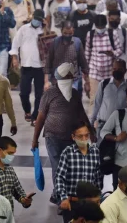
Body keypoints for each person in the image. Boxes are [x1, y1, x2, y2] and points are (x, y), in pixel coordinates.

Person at [33, 62, 92, 198]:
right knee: (58, 167)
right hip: (52, 137)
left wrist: (90, 131)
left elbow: (81, 113)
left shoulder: (75, 94)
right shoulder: (49, 94)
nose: (72, 78)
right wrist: (34, 140)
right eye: (69, 75)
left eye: (72, 75)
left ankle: (58, 193)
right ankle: (61, 198)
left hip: (71, 137)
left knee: (69, 167)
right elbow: (40, 118)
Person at [55, 122, 103, 223]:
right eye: (80, 136)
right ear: (73, 137)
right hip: (72, 203)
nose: (84, 138)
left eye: (86, 135)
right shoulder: (67, 153)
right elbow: (59, 177)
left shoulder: (95, 152)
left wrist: (98, 197)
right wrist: (63, 198)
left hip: (89, 203)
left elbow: (98, 178)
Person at [10, 9, 45, 122]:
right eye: (36, 18)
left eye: (39, 20)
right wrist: (14, 58)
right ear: (32, 17)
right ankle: (27, 111)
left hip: (40, 67)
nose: (37, 21)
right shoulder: (24, 29)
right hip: (26, 65)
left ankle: (35, 116)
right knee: (24, 92)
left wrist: (47, 28)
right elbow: (15, 44)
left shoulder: (44, 30)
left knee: (39, 94)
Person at [85, 14, 123, 109]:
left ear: (106, 25)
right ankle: (93, 123)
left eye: (102, 27)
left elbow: (119, 50)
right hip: (94, 73)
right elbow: (87, 54)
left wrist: (112, 53)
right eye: (98, 27)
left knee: (110, 101)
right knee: (94, 101)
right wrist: (85, 75)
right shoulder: (90, 34)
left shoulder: (112, 34)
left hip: (109, 73)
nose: (100, 29)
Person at [46, 21, 91, 94]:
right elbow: (48, 62)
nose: (67, 35)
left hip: (73, 81)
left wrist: (87, 82)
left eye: (70, 33)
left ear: (73, 31)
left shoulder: (77, 42)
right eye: (65, 33)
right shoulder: (55, 42)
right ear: (61, 31)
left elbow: (83, 63)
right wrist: (46, 82)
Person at [92, 59, 127, 129]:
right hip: (103, 125)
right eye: (114, 69)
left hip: (121, 126)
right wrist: (92, 124)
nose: (117, 71)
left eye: (120, 69)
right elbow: (97, 105)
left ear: (125, 70)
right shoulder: (104, 84)